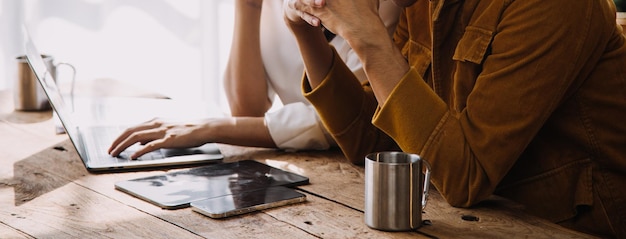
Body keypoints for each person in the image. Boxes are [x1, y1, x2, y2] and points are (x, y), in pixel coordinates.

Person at [284, 0, 626, 237]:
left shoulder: (553, 8)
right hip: (479, 223)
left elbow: (466, 177)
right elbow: (374, 142)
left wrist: (370, 40)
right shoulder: (420, 6)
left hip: (573, 228)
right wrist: (306, 31)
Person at [108, 1, 399, 158]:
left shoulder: (386, 6)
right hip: (302, 164)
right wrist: (247, 6)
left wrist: (211, 126)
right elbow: (246, 108)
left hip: (362, 171)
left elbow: (353, 119)